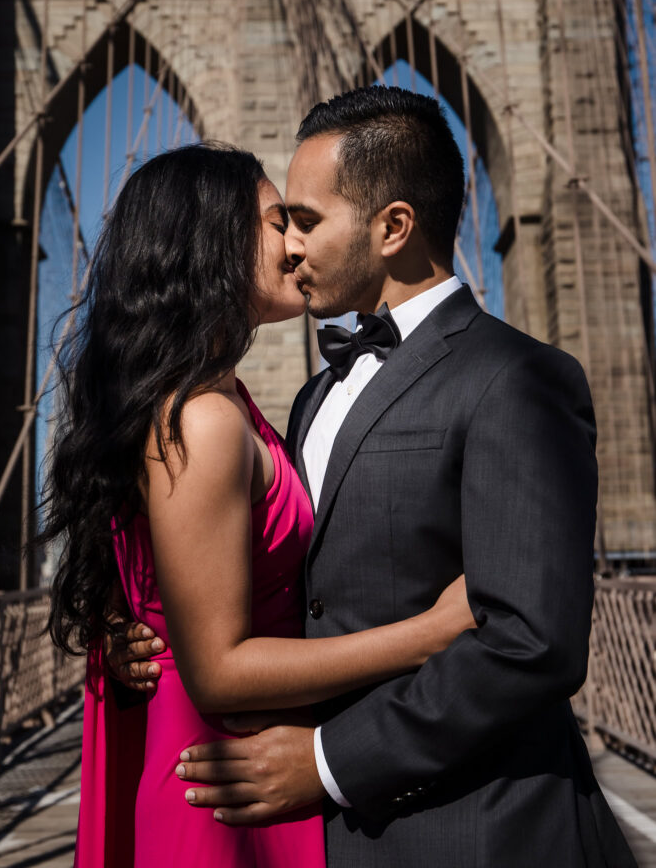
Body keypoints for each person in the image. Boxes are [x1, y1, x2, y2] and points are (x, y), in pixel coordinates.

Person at [119, 87, 636, 867]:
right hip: (320, 833)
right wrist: (151, 637)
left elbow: (532, 643)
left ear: (393, 226)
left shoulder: (518, 379)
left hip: (480, 828)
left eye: (306, 220)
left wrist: (330, 760)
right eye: (281, 223)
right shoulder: (308, 399)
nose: (289, 247)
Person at [42, 143, 475, 868]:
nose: (298, 243)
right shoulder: (205, 420)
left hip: (233, 768)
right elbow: (217, 669)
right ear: (212, 239)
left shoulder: (208, 399)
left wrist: (122, 617)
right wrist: (429, 633)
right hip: (224, 793)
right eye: (279, 221)